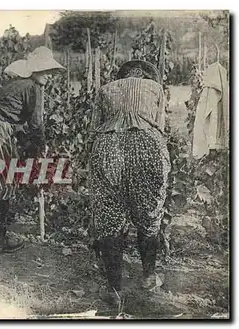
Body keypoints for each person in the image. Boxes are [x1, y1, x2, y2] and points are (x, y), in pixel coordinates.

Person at [0, 46, 65, 255]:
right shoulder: (33, 88)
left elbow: (15, 119)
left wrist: (24, 140)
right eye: (45, 71)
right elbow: (36, 124)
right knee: (2, 184)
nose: (48, 76)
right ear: (35, 70)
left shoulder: (14, 84)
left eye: (49, 72)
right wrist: (39, 149)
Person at [88, 60, 170, 303]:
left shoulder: (105, 89)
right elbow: (161, 126)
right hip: (147, 145)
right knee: (149, 212)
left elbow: (94, 128)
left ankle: (114, 288)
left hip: (108, 147)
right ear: (145, 75)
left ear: (123, 75)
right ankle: (148, 277)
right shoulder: (155, 88)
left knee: (108, 215)